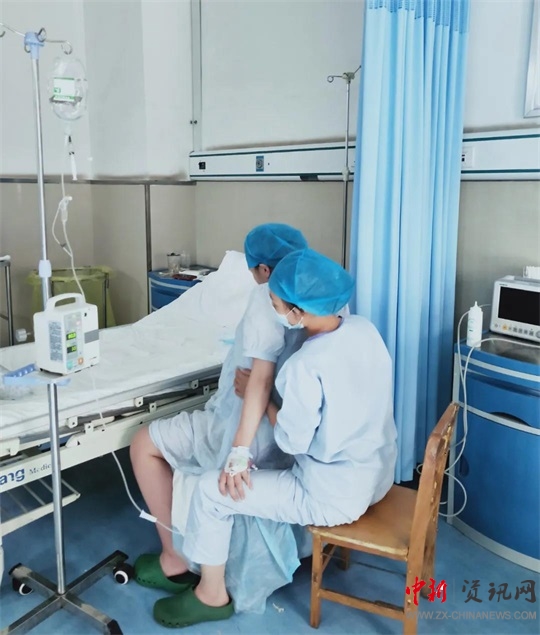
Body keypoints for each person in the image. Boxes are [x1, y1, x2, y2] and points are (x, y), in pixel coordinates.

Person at [151, 248, 398, 628]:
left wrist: (263, 399)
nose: (272, 308)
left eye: (275, 303)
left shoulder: (305, 366)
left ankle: (211, 595)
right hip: (378, 475)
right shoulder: (365, 330)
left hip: (331, 496)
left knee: (212, 492)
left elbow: (291, 442)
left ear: (297, 313)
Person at [129, 223, 308, 599]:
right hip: (292, 430)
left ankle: (174, 557)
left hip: (243, 424)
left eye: (252, 270)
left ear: (263, 270)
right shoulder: (324, 299)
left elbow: (259, 380)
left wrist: (238, 450)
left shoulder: (265, 301)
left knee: (144, 443)